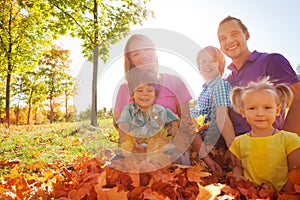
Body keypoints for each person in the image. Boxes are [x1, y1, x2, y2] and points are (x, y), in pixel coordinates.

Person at [113, 34, 221, 171]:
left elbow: (187, 125)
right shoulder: (125, 89)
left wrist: (207, 158)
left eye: (147, 49)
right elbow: (119, 125)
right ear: (131, 60)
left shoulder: (174, 82)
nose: (144, 55)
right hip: (138, 148)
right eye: (136, 54)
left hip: (171, 147)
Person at [217, 15, 300, 136]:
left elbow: (298, 100)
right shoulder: (225, 80)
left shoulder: (272, 61)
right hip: (237, 148)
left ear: (247, 35)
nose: (229, 41)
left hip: (270, 146)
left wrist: (285, 143)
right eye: (223, 38)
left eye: (234, 34)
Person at [229, 79, 300, 192]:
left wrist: (283, 195)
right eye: (252, 108)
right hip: (251, 195)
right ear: (243, 112)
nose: (260, 113)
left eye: (267, 108)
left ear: (277, 110)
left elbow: (295, 174)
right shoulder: (239, 142)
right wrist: (238, 177)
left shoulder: (290, 140)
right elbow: (238, 167)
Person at [116, 68, 179, 155]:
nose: (145, 94)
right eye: (139, 90)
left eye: (149, 90)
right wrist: (127, 146)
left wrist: (171, 134)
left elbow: (175, 122)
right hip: (135, 144)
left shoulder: (161, 110)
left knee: (175, 153)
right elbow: (123, 126)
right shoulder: (129, 109)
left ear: (155, 94)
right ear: (132, 95)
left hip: (156, 146)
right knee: (117, 160)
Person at [190, 46, 235, 150]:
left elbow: (222, 117)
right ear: (199, 68)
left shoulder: (219, 85)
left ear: (221, 66)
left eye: (213, 60)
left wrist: (232, 147)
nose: (207, 64)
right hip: (197, 137)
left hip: (209, 143)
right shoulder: (204, 91)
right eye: (204, 61)